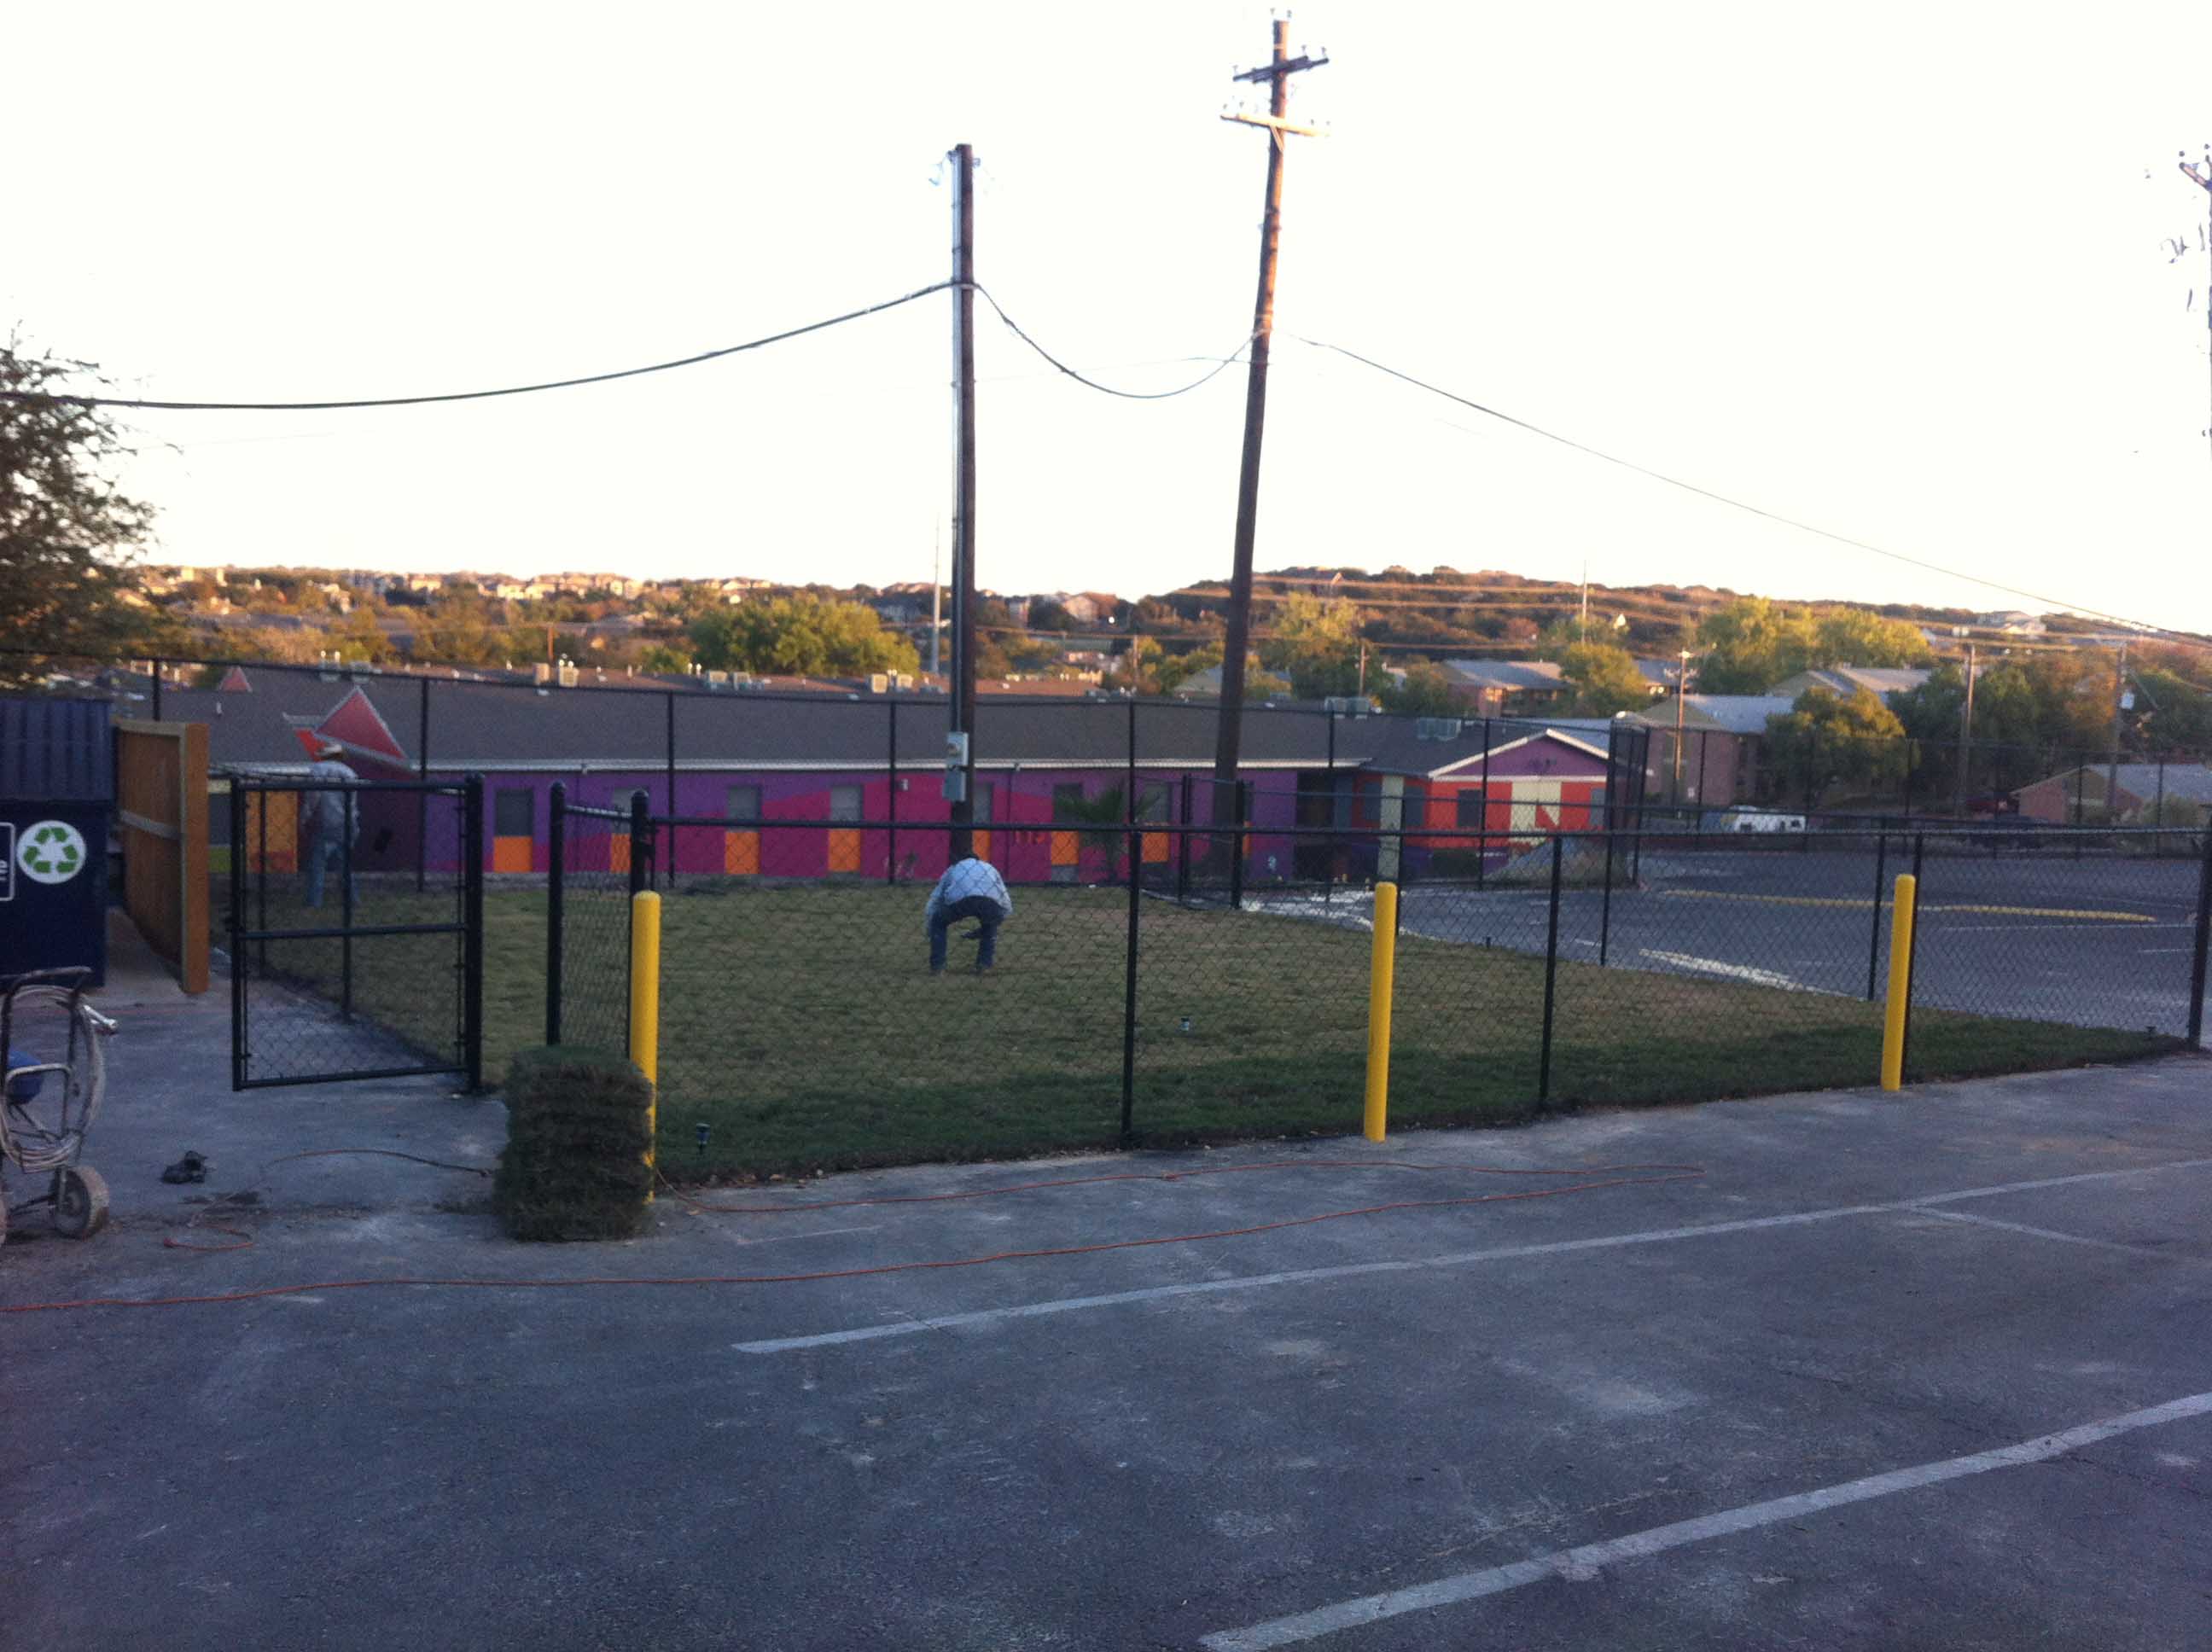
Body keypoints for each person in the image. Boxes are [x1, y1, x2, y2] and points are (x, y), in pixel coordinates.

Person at [923, 853, 1012, 974]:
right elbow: (1005, 899)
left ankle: (938, 967)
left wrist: (931, 928)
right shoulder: (989, 867)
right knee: (990, 926)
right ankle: (984, 965)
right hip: (990, 902)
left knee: (938, 922)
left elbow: (936, 898)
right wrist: (997, 920)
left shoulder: (953, 868)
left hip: (961, 900)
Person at [301, 740, 360, 910]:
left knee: (318, 865)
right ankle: (352, 900)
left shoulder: (318, 770)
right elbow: (352, 804)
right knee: (344, 865)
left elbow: (313, 799)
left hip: (324, 822)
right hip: (345, 823)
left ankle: (314, 902)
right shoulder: (350, 773)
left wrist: (304, 819)